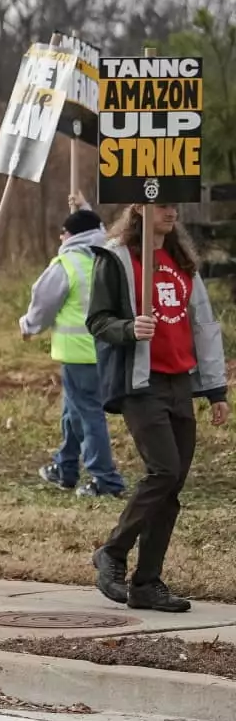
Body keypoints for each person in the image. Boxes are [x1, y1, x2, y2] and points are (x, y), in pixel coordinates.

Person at [86, 203, 229, 613]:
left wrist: (215, 389)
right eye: (163, 205)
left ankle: (147, 583)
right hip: (141, 383)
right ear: (139, 207)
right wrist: (129, 329)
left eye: (175, 205)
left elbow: (202, 324)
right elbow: (97, 321)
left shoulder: (183, 261)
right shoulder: (117, 258)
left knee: (171, 489)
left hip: (179, 382)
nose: (173, 212)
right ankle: (112, 553)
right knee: (163, 471)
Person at [18, 204, 125, 498]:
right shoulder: (111, 256)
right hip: (107, 350)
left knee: (88, 414)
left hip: (78, 354)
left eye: (63, 233)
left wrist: (28, 326)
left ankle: (106, 480)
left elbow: (43, 302)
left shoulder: (67, 263)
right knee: (72, 412)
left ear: (69, 235)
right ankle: (64, 467)